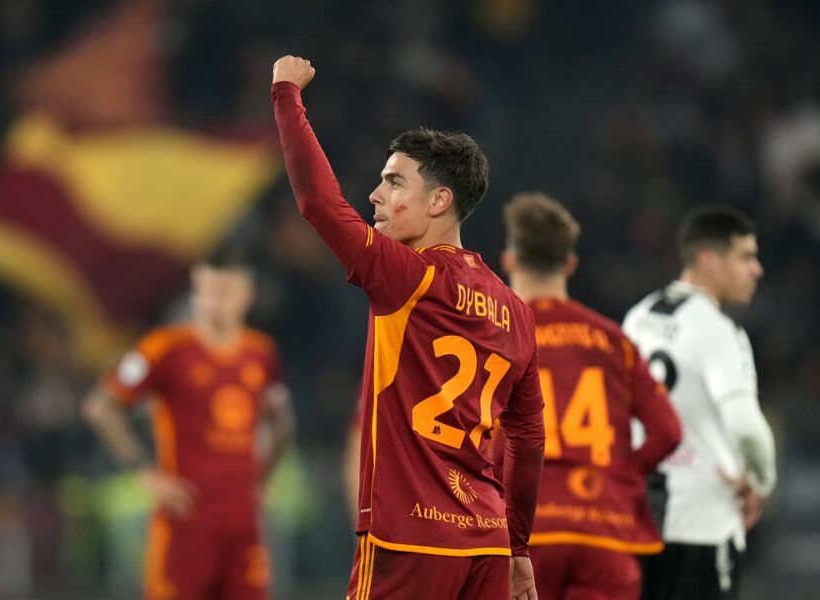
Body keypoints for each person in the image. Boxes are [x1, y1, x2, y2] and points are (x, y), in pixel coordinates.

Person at [272, 56, 546, 600]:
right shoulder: (517, 311)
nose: (375, 195)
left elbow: (318, 204)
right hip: (486, 545)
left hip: (410, 540)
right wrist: (518, 549)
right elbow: (528, 441)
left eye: (394, 182)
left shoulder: (409, 278)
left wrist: (285, 94)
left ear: (440, 201)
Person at [82, 251, 295, 600]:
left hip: (243, 524)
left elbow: (283, 423)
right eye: (206, 291)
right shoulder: (166, 348)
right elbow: (100, 407)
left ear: (246, 296)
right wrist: (146, 472)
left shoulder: (261, 354)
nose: (213, 302)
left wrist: (264, 477)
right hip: (185, 521)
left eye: (223, 291)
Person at [500, 192, 682, 600]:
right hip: (604, 525)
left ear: (509, 260)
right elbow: (668, 430)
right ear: (570, 264)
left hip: (527, 534)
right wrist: (624, 476)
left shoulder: (497, 337)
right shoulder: (612, 340)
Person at [623, 205, 777, 600]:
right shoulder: (720, 332)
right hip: (703, 525)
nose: (756, 269)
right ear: (708, 259)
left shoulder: (636, 318)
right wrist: (761, 481)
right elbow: (745, 425)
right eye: (745, 256)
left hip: (637, 522)